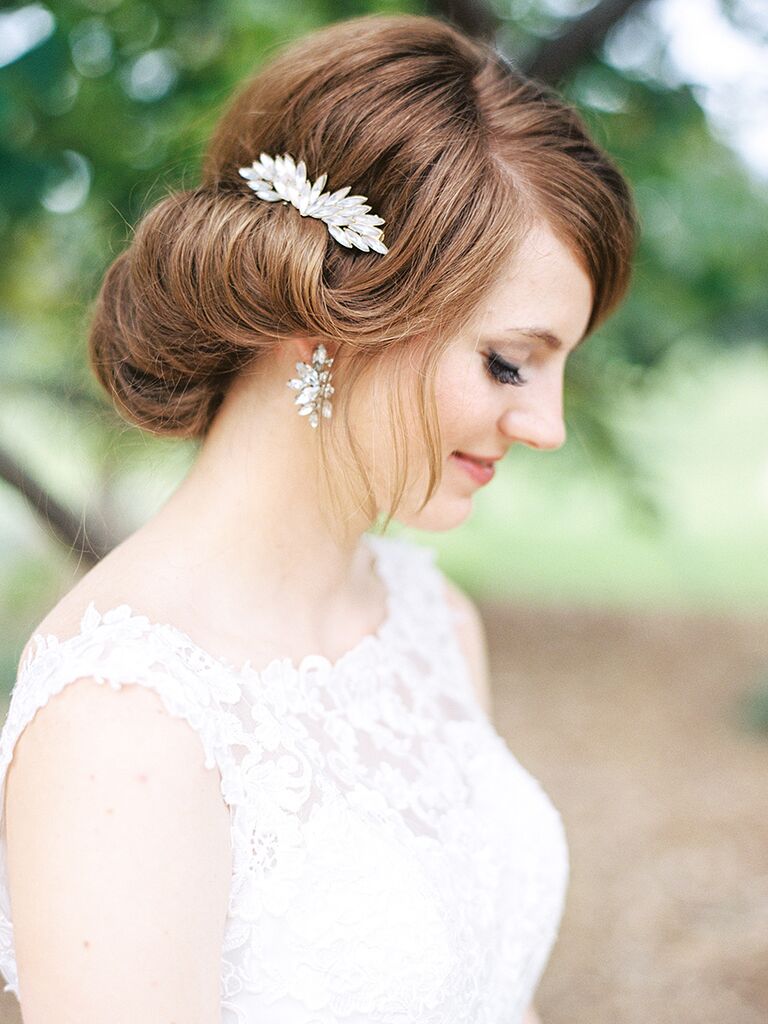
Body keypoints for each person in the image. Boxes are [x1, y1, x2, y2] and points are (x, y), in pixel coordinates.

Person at [0, 11, 636, 1024]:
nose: (547, 424)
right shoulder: (124, 722)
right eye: (510, 361)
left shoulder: (431, 619)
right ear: (328, 312)